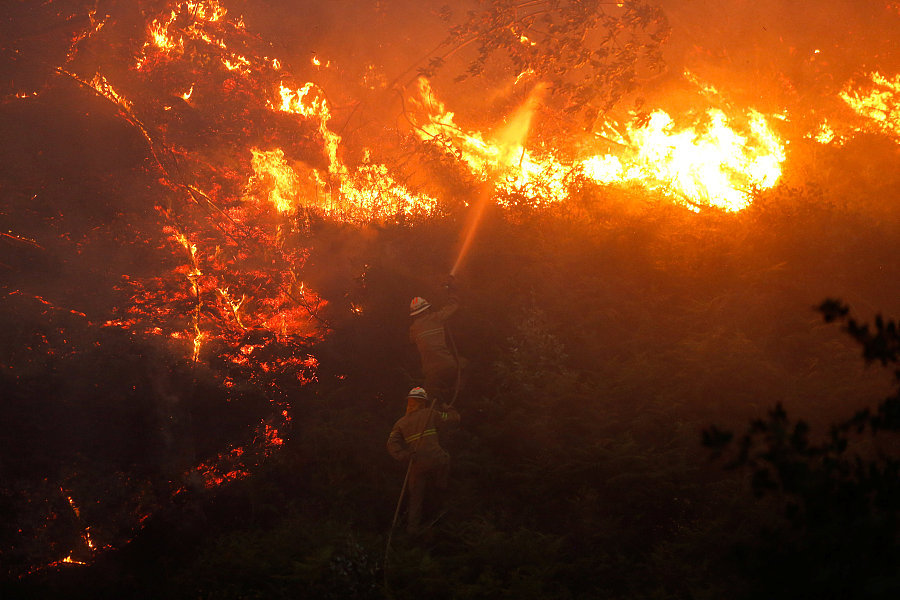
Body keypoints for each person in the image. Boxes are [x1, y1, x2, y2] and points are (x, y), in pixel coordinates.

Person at [387, 387, 460, 534]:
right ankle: (441, 491)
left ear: (410, 402)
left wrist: (403, 455)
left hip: (415, 464)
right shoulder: (430, 414)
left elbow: (391, 444)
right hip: (435, 459)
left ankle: (412, 530)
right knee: (445, 459)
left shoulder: (400, 423)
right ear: (423, 403)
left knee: (415, 499)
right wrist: (449, 409)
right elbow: (453, 419)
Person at [408, 281, 466, 402]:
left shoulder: (413, 329)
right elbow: (453, 306)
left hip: (431, 373)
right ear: (426, 309)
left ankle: (441, 414)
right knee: (463, 372)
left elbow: (412, 342)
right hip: (449, 365)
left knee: (431, 400)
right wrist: (452, 292)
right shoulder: (436, 318)